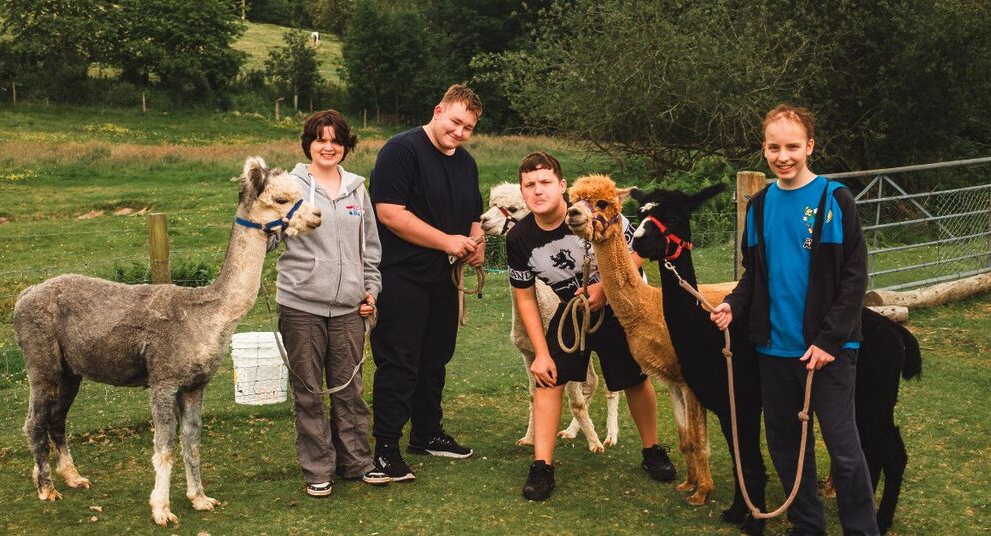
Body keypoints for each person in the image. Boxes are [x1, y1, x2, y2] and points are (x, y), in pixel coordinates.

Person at [710, 104, 879, 534]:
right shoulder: (760, 205)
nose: (782, 156)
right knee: (786, 447)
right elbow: (755, 274)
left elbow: (854, 279)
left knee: (843, 450)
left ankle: (862, 529)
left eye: (792, 146)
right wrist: (734, 303)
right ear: (764, 149)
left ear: (810, 146)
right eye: (773, 147)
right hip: (774, 348)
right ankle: (808, 527)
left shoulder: (833, 200)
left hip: (829, 351)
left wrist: (828, 341)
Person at [506, 151, 676, 501]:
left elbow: (640, 248)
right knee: (548, 378)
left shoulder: (594, 211)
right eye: (529, 185)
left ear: (563, 186)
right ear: (522, 192)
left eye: (545, 183)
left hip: (615, 309)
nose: (538, 191)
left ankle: (652, 450)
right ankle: (542, 466)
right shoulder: (519, 238)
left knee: (634, 378)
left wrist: (604, 287)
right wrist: (540, 353)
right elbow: (524, 297)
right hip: (571, 313)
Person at [368, 84, 485, 481]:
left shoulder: (466, 163)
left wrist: (476, 243)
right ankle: (385, 448)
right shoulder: (401, 151)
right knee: (399, 361)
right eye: (455, 121)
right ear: (438, 111)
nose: (459, 132)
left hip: (443, 279)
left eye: (468, 127)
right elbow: (389, 213)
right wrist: (446, 241)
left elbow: (474, 214)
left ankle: (427, 433)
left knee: (436, 358)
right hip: (401, 275)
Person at [274, 109, 388, 497]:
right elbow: (269, 233)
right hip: (301, 304)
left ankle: (357, 462)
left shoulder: (358, 189)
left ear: (345, 146)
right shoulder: (289, 184)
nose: (328, 146)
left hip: (349, 309)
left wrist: (370, 289)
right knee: (308, 390)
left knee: (348, 388)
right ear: (309, 143)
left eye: (335, 140)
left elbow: (370, 248)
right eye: (321, 139)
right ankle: (318, 468)